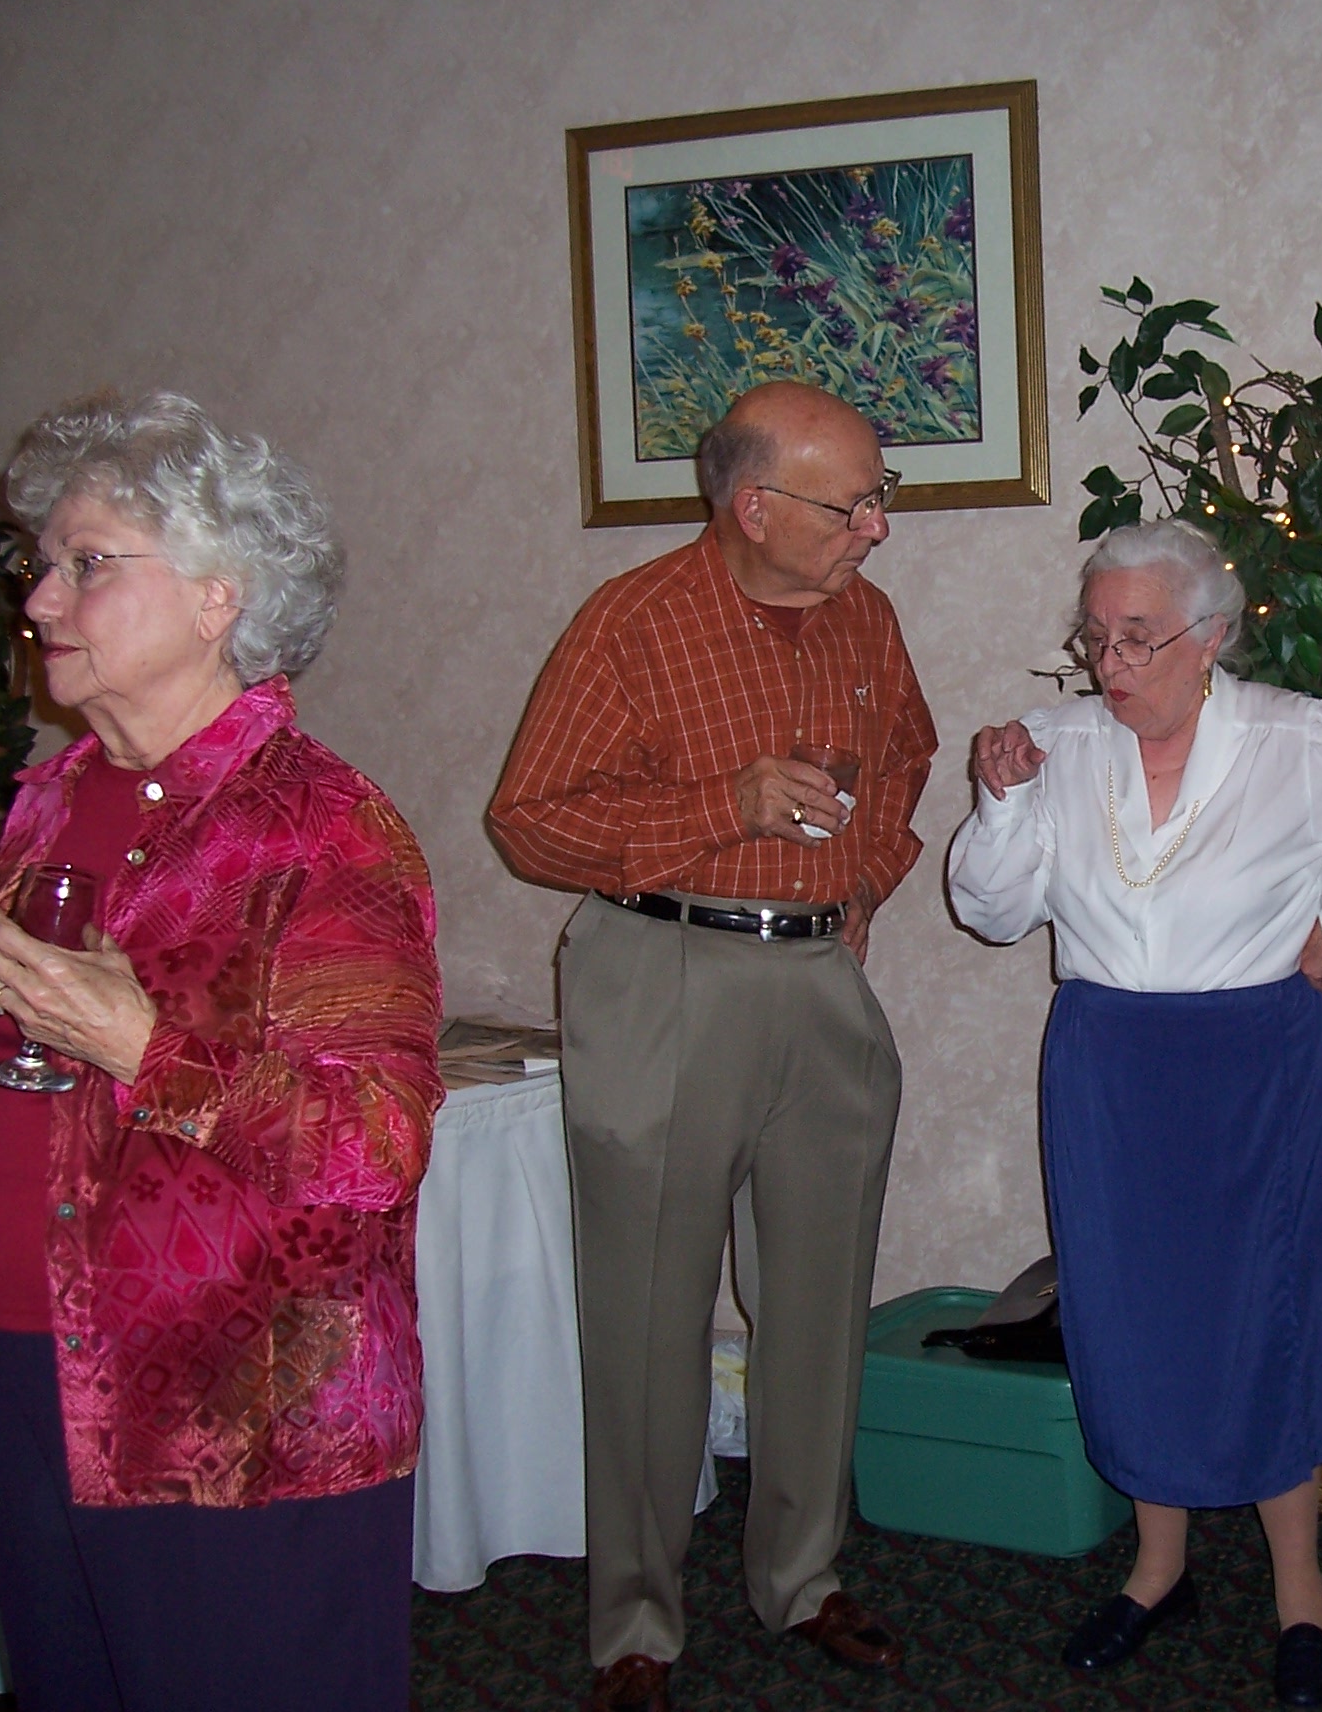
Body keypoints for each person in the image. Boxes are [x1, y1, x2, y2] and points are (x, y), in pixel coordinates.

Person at [947, 520, 1322, 1708]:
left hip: (1256, 1063)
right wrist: (999, 807)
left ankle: (1302, 1588)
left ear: (1212, 636)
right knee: (1131, 1312)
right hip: (1109, 1066)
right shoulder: (1054, 744)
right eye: (1095, 636)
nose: (1110, 662)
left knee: (1268, 1310)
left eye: (1138, 636)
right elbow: (990, 913)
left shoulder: (1299, 739)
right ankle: (1158, 1571)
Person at [0, 391, 445, 1712]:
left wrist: (142, 1044)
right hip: (25, 1364)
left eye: (88, 564)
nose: (41, 602)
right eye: (42, 565)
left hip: (232, 1406)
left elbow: (376, 1146)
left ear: (216, 597)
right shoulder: (47, 800)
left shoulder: (323, 827)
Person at [487, 380, 937, 1710]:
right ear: (754, 507)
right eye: (851, 504)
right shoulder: (633, 623)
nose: (875, 527)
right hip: (663, 970)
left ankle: (801, 1575)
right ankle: (634, 1621)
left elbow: (904, 760)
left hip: (818, 982)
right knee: (646, 1317)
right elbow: (531, 822)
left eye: (879, 496)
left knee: (818, 1303)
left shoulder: (866, 619)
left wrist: (865, 881)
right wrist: (722, 803)